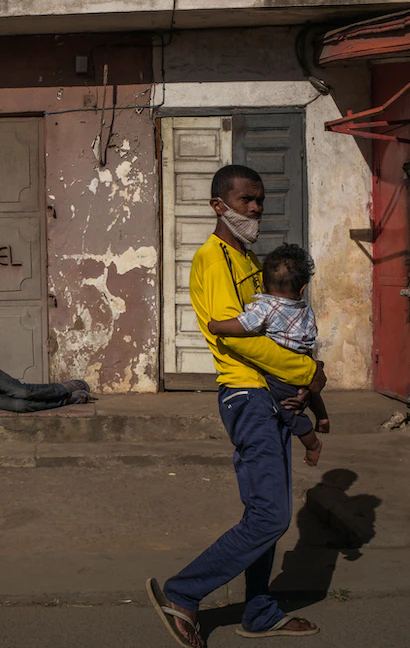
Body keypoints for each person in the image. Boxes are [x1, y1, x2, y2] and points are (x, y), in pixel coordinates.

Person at [147, 165, 327, 648]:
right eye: (246, 199)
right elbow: (240, 339)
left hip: (272, 395)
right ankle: (184, 593)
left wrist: (303, 386)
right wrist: (304, 373)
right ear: (218, 205)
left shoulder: (248, 260)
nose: (255, 209)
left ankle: (259, 610)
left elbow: (275, 329)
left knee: (263, 513)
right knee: (271, 517)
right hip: (247, 394)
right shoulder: (213, 258)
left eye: (260, 200)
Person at [207, 242, 329, 467]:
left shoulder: (266, 307)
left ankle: (312, 444)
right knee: (308, 390)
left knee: (288, 409)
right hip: (303, 360)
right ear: (302, 289)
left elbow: (244, 326)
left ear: (262, 283)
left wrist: (217, 326)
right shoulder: (306, 309)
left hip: (280, 371)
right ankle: (322, 416)